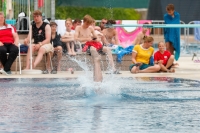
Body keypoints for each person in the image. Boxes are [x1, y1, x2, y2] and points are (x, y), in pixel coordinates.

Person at [74, 15, 118, 82]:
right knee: (93, 49)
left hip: (93, 43)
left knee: (107, 49)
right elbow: (75, 38)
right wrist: (87, 39)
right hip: (85, 45)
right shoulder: (78, 28)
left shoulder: (90, 28)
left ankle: (113, 68)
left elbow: (95, 38)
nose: (88, 25)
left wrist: (96, 38)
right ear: (84, 21)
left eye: (89, 24)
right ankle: (97, 59)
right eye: (87, 23)